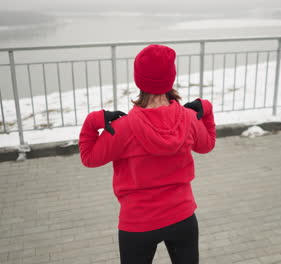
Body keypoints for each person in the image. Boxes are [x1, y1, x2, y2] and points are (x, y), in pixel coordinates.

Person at [78, 44, 216, 264]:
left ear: (138, 79)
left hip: (138, 224)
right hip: (182, 217)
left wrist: (93, 121)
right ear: (170, 78)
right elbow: (206, 145)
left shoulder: (122, 128)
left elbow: (89, 158)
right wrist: (205, 109)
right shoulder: (189, 118)